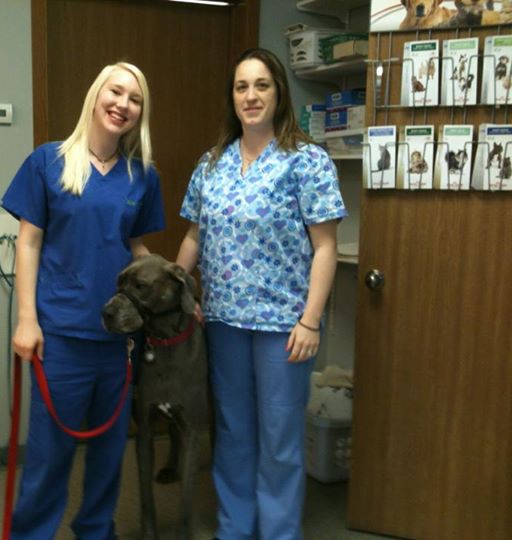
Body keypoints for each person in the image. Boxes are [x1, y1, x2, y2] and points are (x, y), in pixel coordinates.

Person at [176, 48, 347, 539]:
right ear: (232, 98)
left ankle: (276, 533)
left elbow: (326, 247)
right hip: (224, 321)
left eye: (261, 85)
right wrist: (173, 291)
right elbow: (193, 237)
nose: (251, 96)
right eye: (241, 87)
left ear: (278, 93)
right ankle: (234, 528)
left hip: (284, 328)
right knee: (231, 433)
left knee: (279, 440)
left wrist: (311, 319)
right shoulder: (212, 165)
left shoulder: (307, 161)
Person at [0, 61, 165, 540]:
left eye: (135, 100)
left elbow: (136, 248)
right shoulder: (47, 162)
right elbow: (28, 243)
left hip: (117, 340)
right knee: (51, 454)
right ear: (96, 96)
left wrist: (168, 287)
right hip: (60, 336)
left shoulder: (142, 176)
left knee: (109, 453)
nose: (123, 105)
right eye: (116, 93)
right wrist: (27, 321)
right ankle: (32, 533)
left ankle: (96, 530)